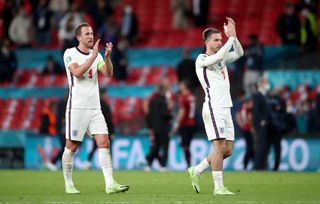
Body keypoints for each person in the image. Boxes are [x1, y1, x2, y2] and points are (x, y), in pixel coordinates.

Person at [62, 22, 129, 194]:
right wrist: (93, 56)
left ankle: (110, 184)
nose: (91, 36)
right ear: (79, 37)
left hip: (94, 108)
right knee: (72, 146)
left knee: (104, 142)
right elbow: (77, 73)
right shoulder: (70, 53)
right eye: (87, 34)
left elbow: (108, 73)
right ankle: (68, 183)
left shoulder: (97, 56)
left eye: (92, 33)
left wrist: (106, 56)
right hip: (77, 108)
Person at [187, 17, 244, 195]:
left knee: (227, 151)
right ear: (207, 42)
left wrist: (235, 37)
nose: (220, 43)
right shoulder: (201, 59)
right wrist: (231, 39)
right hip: (213, 107)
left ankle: (196, 170)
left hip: (226, 107)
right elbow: (220, 55)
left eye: (221, 39)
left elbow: (240, 53)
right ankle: (218, 188)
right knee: (219, 148)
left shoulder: (221, 60)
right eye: (216, 40)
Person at [144, 83, 173, 171]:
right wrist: (171, 117)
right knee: (165, 147)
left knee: (156, 146)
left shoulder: (152, 101)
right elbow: (165, 114)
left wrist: (150, 126)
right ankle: (162, 165)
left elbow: (148, 115)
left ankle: (148, 164)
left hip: (155, 128)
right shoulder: (163, 101)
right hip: (163, 128)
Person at [172, 80, 196, 168]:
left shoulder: (183, 97)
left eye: (181, 85)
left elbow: (182, 111)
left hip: (185, 124)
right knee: (187, 145)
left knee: (185, 146)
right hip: (192, 123)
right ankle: (189, 164)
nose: (180, 86)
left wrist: (176, 124)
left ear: (185, 86)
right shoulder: (192, 96)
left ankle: (188, 165)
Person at [251, 78, 270, 170]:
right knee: (260, 145)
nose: (267, 84)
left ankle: (262, 165)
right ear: (261, 84)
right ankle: (257, 166)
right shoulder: (257, 95)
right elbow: (255, 110)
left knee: (264, 145)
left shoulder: (264, 95)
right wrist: (261, 120)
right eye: (266, 82)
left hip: (265, 124)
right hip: (260, 124)